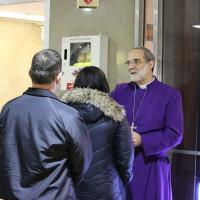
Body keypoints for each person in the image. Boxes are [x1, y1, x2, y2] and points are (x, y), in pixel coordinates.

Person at [0, 49, 92, 200]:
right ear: (58, 77)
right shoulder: (68, 116)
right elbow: (82, 163)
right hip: (54, 194)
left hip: (13, 195)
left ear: (30, 73)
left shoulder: (9, 109)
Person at [111, 47, 183, 200]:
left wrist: (143, 140)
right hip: (122, 163)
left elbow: (175, 134)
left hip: (152, 165)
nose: (131, 66)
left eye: (136, 61)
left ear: (151, 63)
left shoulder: (170, 95)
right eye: (128, 62)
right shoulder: (119, 91)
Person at [61, 66, 134, 200]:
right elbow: (125, 157)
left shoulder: (62, 112)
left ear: (77, 85)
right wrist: (121, 181)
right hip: (106, 189)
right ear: (104, 85)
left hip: (70, 189)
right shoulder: (116, 114)